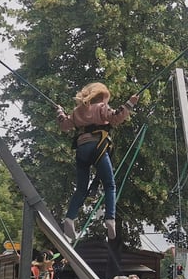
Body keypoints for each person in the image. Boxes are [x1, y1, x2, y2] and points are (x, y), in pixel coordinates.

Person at [56, 82, 139, 241]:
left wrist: (59, 111)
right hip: (98, 147)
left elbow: (64, 124)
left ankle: (69, 218)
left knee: (81, 188)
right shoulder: (101, 107)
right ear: (101, 96)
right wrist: (130, 103)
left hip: (81, 149)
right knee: (109, 184)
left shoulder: (77, 111)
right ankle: (110, 218)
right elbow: (116, 118)